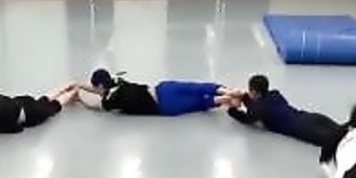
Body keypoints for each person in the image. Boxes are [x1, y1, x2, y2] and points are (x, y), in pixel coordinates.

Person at [228, 74, 341, 147]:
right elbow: (257, 103)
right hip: (310, 116)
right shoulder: (275, 94)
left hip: (301, 129)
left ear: (254, 92)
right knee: (342, 130)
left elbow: (247, 119)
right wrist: (244, 97)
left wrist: (232, 110)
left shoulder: (258, 110)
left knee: (337, 143)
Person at [76, 69, 236, 116]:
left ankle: (224, 100)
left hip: (163, 105)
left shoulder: (109, 100)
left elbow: (94, 105)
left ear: (100, 86)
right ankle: (228, 91)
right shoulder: (117, 80)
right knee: (196, 87)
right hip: (162, 88)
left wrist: (79, 98)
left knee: (198, 103)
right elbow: (99, 91)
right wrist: (79, 85)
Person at [0, 76, 78, 134]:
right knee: (43, 100)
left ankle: (74, 91)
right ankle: (68, 85)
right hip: (21, 102)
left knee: (54, 105)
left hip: (30, 115)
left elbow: (13, 128)